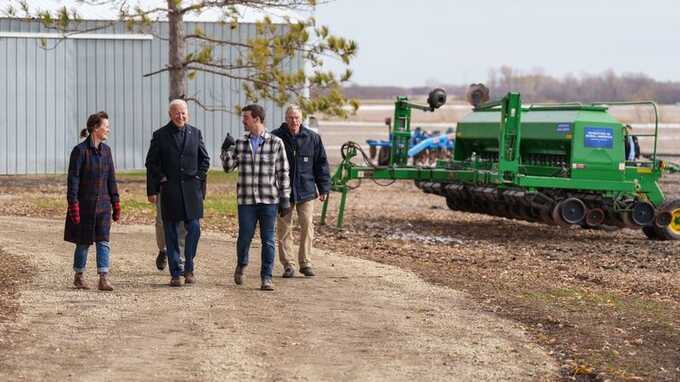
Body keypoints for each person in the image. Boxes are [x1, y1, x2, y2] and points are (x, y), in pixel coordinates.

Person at [221, 104, 291, 291]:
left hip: (269, 199)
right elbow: (228, 168)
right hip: (246, 201)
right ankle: (241, 264)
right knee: (245, 236)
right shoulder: (240, 142)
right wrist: (225, 151)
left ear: (257, 119)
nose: (243, 120)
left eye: (246, 117)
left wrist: (285, 197)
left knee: (268, 239)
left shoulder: (276, 143)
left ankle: (266, 277)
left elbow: (283, 171)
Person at [145, 99, 210, 287]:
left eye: (183, 113)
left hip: (192, 191)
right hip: (170, 190)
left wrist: (198, 178)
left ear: (187, 114)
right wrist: (160, 181)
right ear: (170, 114)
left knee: (195, 229)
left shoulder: (195, 133)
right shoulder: (160, 135)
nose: (180, 116)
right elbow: (151, 163)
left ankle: (189, 267)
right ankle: (175, 273)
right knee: (171, 233)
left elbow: (204, 159)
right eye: (177, 113)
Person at [272, 105, 331, 278]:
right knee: (284, 228)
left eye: (297, 117)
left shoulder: (312, 138)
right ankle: (288, 265)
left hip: (306, 190)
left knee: (307, 225)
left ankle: (305, 263)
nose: (294, 121)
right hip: (284, 191)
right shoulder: (276, 137)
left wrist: (323, 188)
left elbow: (321, 165)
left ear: (301, 118)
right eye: (290, 117)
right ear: (285, 118)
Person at [64, 111, 119, 291]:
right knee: (84, 242)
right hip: (84, 205)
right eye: (106, 126)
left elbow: (111, 178)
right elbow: (73, 180)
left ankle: (103, 278)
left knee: (104, 241)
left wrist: (116, 202)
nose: (108, 130)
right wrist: (73, 205)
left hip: (103, 205)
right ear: (96, 128)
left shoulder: (107, 151)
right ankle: (79, 276)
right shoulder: (79, 151)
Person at [153, 195, 185, 271]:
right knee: (161, 222)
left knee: (182, 224)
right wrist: (151, 190)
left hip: (185, 187)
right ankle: (163, 250)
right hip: (163, 187)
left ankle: (180, 259)